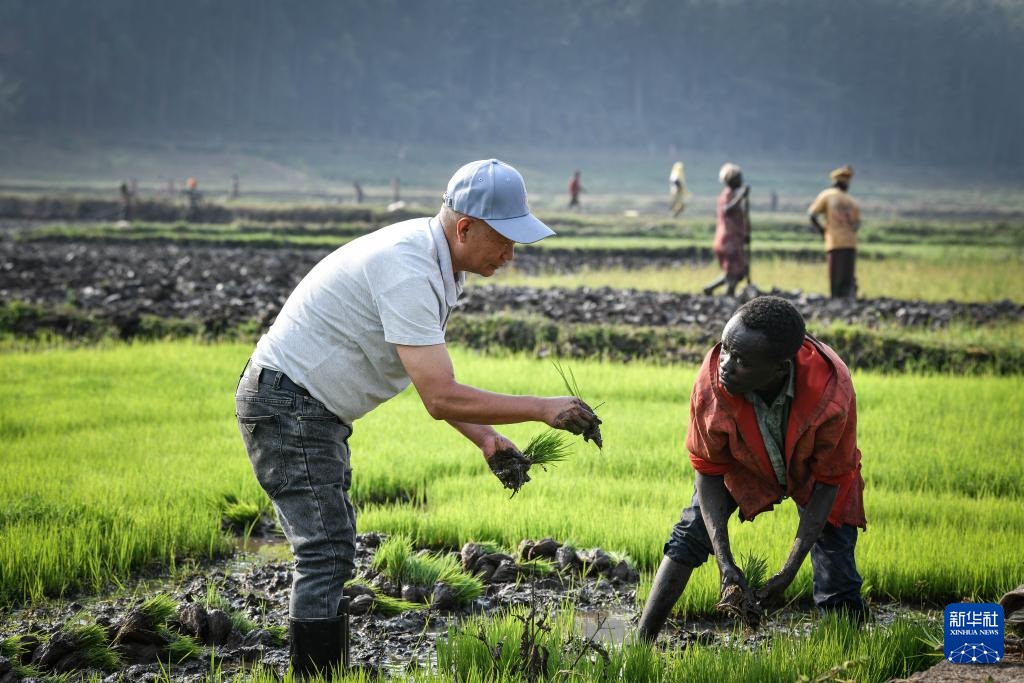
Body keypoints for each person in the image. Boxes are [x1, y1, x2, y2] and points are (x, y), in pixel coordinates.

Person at [235, 159, 603, 678]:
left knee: (330, 549)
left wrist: (487, 439)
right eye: (504, 239)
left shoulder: (438, 265)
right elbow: (440, 395)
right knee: (325, 552)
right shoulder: (408, 267)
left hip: (308, 409)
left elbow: (420, 374)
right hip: (289, 405)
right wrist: (543, 409)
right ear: (466, 228)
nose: (510, 254)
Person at [636, 296, 867, 643]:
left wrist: (788, 572)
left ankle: (850, 654)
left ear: (779, 368)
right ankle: (640, 642)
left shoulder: (831, 392)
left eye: (741, 360)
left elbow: (829, 480)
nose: (726, 364)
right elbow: (709, 470)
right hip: (745, 461)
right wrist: (724, 563)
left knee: (837, 574)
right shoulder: (712, 384)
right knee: (690, 532)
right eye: (726, 349)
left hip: (812, 470)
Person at [808, 165, 861, 299]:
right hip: (851, 242)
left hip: (834, 241)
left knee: (835, 277)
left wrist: (823, 231)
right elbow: (857, 224)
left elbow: (812, 215)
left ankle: (835, 302)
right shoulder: (852, 201)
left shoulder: (827, 195)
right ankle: (847, 302)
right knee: (847, 276)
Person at [702, 163, 749, 296]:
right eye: (738, 178)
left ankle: (711, 289)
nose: (741, 180)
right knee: (733, 273)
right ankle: (728, 297)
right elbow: (727, 210)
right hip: (728, 240)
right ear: (732, 180)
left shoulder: (732, 195)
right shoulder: (728, 195)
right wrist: (741, 196)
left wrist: (743, 234)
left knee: (735, 273)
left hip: (733, 238)